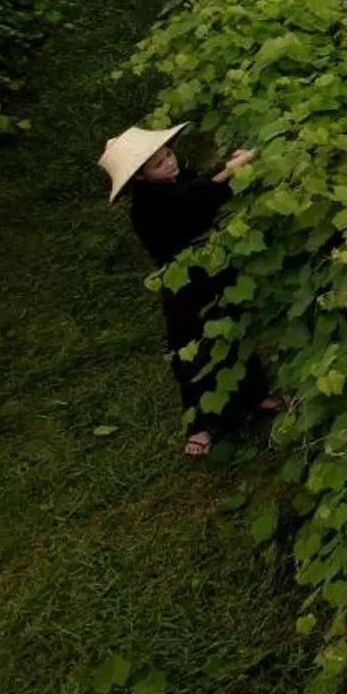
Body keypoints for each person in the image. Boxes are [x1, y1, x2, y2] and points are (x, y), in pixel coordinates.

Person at [100, 122, 276, 458]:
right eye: (158, 164)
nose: (169, 162)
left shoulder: (177, 179)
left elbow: (201, 183)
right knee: (192, 350)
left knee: (232, 329)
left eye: (168, 154)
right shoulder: (147, 207)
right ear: (140, 177)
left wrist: (229, 167)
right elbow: (196, 201)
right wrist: (231, 171)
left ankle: (254, 396)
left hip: (213, 269)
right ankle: (199, 424)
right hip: (185, 285)